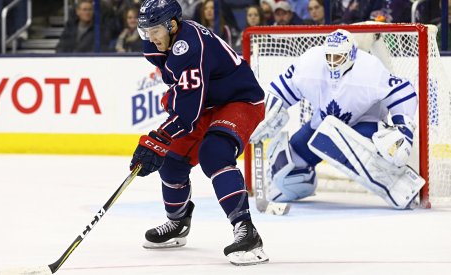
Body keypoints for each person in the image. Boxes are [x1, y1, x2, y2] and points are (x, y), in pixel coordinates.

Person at [131, 0, 269, 266]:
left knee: (214, 153)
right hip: (206, 103)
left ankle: (246, 231)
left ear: (172, 24)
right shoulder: (157, 42)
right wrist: (162, 141)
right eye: (145, 30)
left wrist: (157, 138)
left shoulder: (189, 46)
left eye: (155, 29)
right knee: (171, 161)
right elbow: (183, 91)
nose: (150, 36)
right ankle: (177, 223)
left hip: (239, 101)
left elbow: (187, 113)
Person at [250, 29, 424, 210]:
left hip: (364, 125)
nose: (332, 62)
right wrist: (262, 115)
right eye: (329, 57)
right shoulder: (310, 63)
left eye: (338, 57)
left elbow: (403, 91)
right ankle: (306, 182)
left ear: (351, 55)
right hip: (323, 124)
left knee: (342, 139)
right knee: (285, 173)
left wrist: (404, 128)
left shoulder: (369, 69)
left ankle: (394, 178)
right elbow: (280, 89)